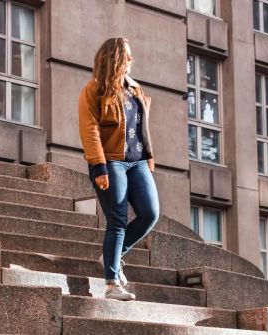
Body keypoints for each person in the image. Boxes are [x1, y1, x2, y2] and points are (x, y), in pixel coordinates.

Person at [78, 37, 160, 301]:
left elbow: (140, 127)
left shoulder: (135, 89)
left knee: (150, 213)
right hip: (111, 161)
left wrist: (148, 156)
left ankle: (112, 255)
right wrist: (99, 166)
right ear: (114, 58)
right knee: (118, 220)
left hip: (137, 162)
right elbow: (89, 130)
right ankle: (112, 284)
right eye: (127, 55)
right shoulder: (94, 90)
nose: (131, 59)